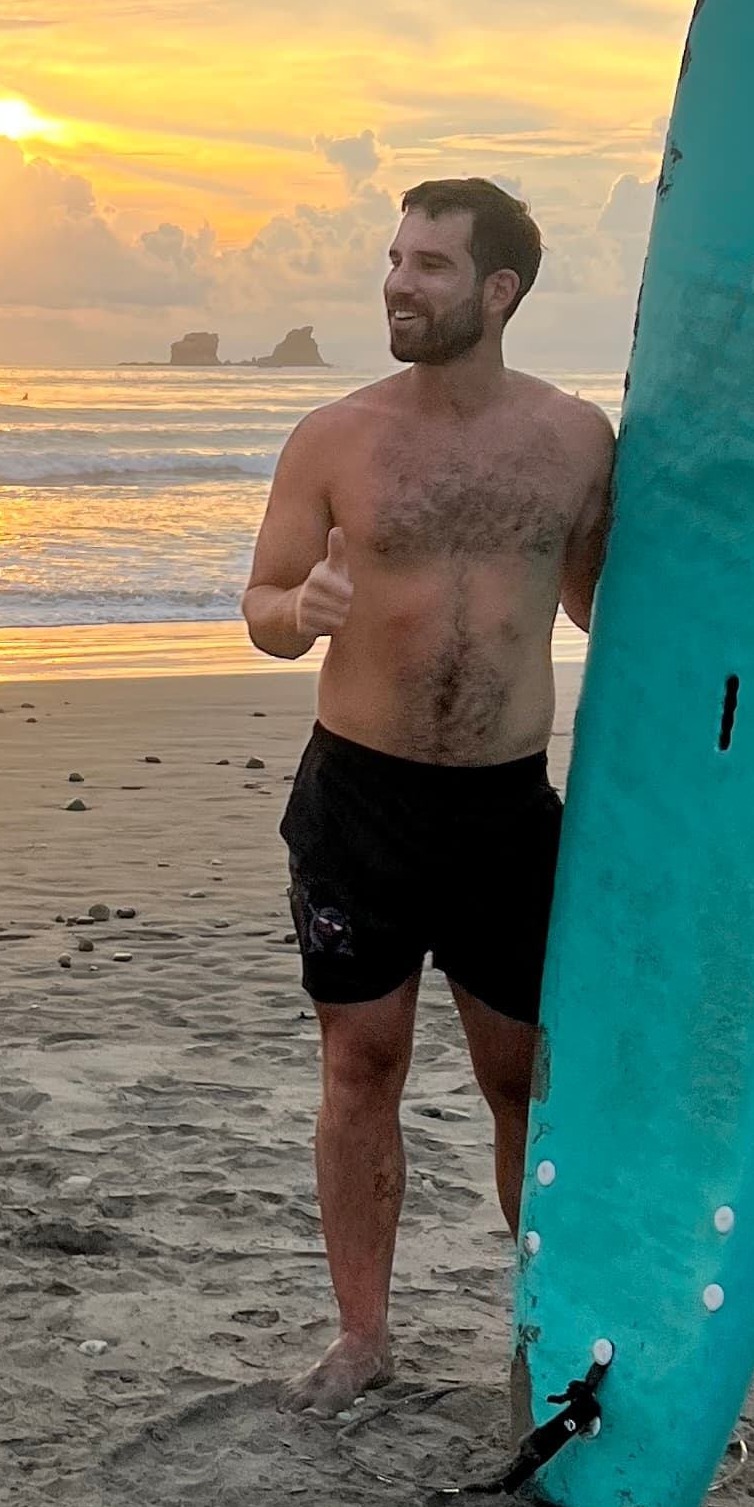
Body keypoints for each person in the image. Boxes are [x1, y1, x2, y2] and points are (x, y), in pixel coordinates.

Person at [241, 178, 613, 1416]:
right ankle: (363, 1336)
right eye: (395, 259)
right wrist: (304, 612)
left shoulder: (574, 442)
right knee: (363, 1063)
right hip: (362, 804)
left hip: (506, 810)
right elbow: (264, 612)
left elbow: (598, 604)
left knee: (520, 1074)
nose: (400, 283)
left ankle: (546, 1325)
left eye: (432, 266)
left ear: (499, 291)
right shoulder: (334, 438)